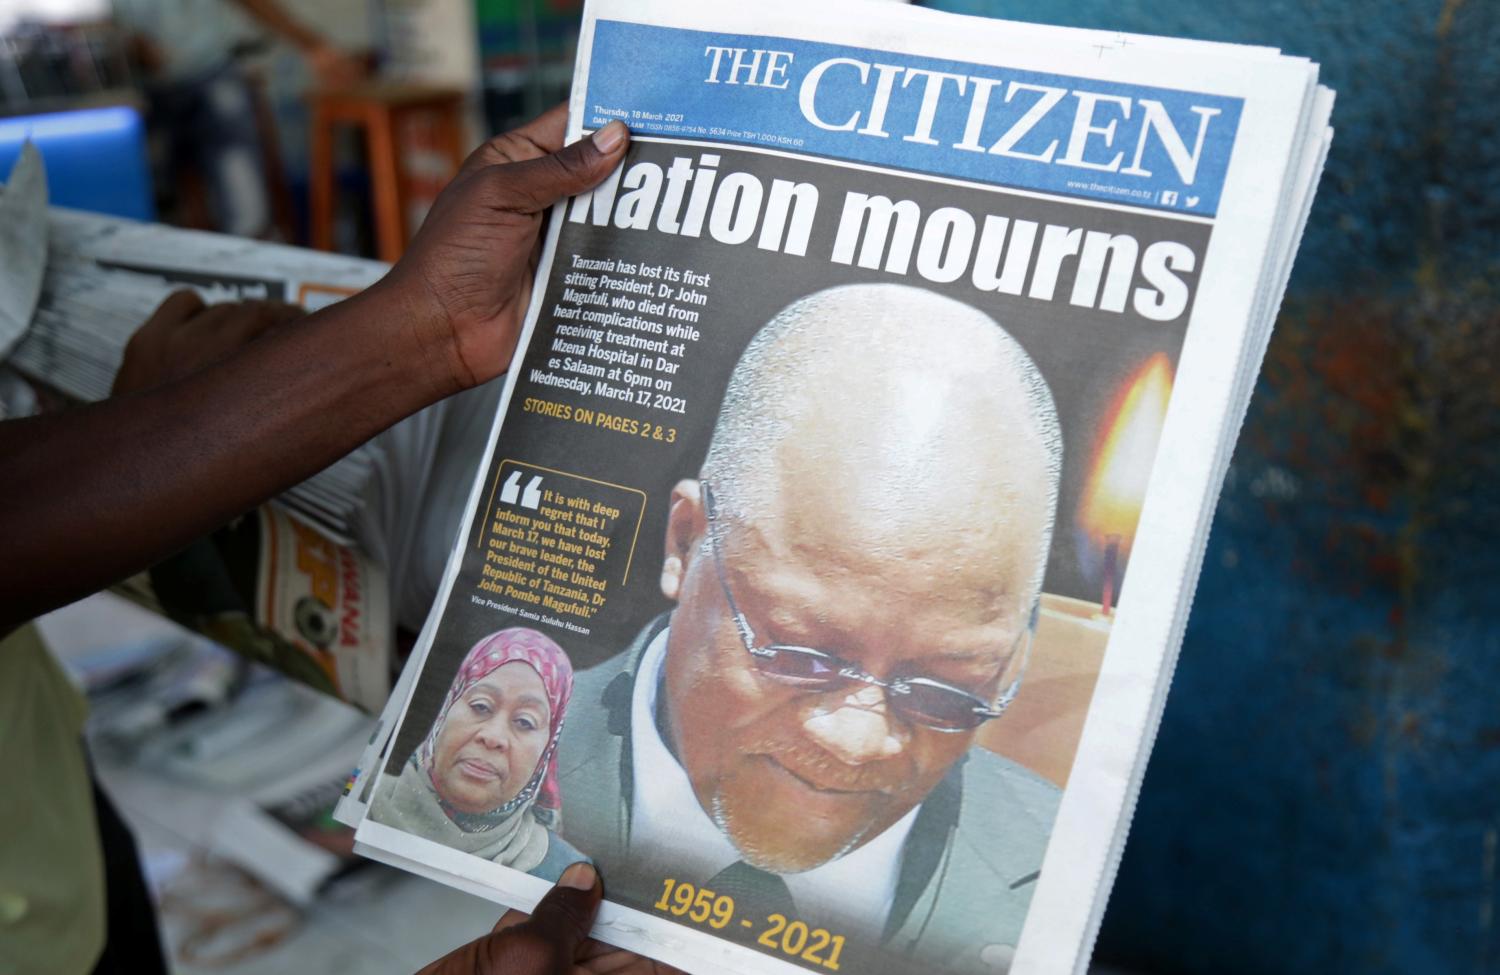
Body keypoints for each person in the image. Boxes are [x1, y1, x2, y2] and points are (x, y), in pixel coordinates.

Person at [0, 108, 649, 975]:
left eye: (523, 717)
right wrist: (420, 330)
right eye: (490, 706)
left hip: (46, 815)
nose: (492, 738)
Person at [556, 284, 1064, 974]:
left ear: (1016, 655)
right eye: (801, 654)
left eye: (945, 690)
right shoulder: (482, 764)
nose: (855, 740)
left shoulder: (1062, 871)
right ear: (683, 543)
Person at [371, 628, 587, 880]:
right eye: (480, 706)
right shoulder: (365, 795)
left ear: (545, 754)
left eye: (525, 722)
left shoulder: (564, 872)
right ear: (447, 709)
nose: (493, 737)